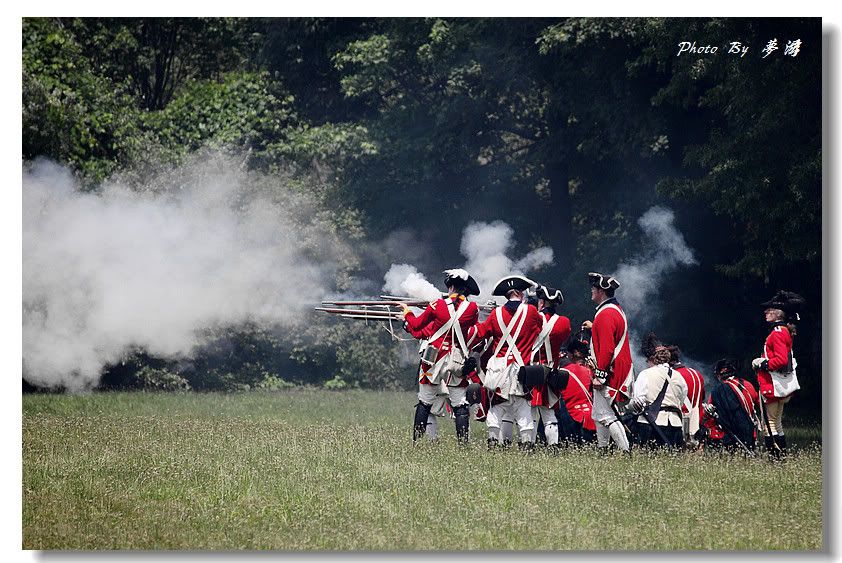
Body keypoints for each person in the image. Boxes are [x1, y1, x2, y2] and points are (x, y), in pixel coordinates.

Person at [401, 269, 480, 444]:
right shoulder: (473, 308)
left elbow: (416, 324)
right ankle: (463, 445)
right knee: (460, 404)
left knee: (425, 401)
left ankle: (418, 443)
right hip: (457, 361)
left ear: (451, 287)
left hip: (433, 360)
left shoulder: (437, 304)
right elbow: (473, 331)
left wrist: (407, 313)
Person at [467, 275, 543, 451]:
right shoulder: (531, 312)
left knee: (495, 409)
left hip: (499, 371)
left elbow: (479, 333)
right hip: (520, 370)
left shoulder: (495, 314)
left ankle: (493, 444)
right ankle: (526, 447)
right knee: (523, 410)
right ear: (519, 293)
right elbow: (539, 329)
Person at [581, 272, 633, 453]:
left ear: (602, 291)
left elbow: (607, 349)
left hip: (609, 372)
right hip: (614, 369)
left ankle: (625, 450)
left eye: (594, 288)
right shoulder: (613, 311)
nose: (592, 291)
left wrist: (600, 376)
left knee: (606, 415)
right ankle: (603, 450)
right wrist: (593, 328)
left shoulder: (605, 314)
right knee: (598, 414)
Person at [752, 290, 805, 459]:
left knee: (770, 424)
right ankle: (780, 456)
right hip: (777, 384)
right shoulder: (783, 331)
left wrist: (762, 364)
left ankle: (775, 458)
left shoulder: (777, 333)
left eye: (769, 310)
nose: (766, 313)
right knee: (777, 423)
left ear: (776, 313)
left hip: (772, 385)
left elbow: (781, 360)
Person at [528, 285, 572, 450]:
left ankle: (529, 445)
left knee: (531, 413)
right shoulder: (564, 322)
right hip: (550, 372)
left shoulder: (532, 318)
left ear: (542, 301)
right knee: (549, 414)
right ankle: (553, 446)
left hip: (532, 371)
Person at [629, 333, 688, 448]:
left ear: (651, 358)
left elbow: (637, 400)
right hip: (675, 424)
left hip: (651, 424)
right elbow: (681, 400)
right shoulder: (679, 376)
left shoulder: (645, 374)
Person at [703, 358, 759, 453]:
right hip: (750, 432)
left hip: (730, 436)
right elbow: (756, 403)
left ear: (719, 375)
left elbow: (710, 412)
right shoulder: (748, 385)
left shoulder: (719, 390)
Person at [555, 337, 596, 445]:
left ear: (574, 353)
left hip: (571, 416)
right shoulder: (592, 371)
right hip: (592, 415)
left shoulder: (564, 371)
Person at [666, 345, 705, 448]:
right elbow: (702, 396)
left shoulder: (674, 376)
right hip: (698, 420)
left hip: (682, 421)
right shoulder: (696, 373)